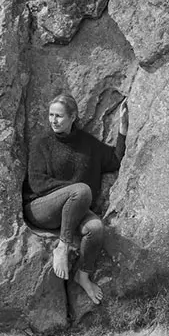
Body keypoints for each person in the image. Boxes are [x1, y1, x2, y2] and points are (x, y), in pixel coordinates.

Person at [23, 93, 129, 305]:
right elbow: (36, 183)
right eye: (51, 115)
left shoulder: (87, 144)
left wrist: (122, 130)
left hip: (75, 209)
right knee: (81, 191)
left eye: (59, 116)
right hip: (42, 208)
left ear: (73, 117)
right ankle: (62, 247)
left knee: (96, 228)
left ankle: (83, 275)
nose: (53, 120)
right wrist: (72, 191)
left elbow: (115, 159)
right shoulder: (42, 143)